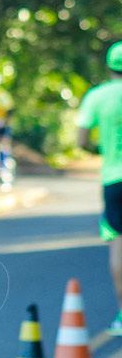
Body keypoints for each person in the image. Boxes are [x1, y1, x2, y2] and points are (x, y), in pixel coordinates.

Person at [76, 41, 122, 335]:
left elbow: (80, 141)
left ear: (108, 67)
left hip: (113, 179)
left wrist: (101, 151)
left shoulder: (97, 96)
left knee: (118, 248)